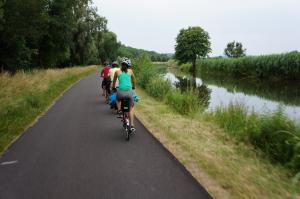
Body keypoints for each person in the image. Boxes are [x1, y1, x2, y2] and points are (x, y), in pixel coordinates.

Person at [112, 58, 136, 132]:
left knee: (117, 99)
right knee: (131, 108)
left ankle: (119, 110)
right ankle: (132, 126)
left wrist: (113, 87)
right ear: (129, 65)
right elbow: (134, 81)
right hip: (129, 92)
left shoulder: (117, 71)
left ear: (121, 65)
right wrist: (133, 87)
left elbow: (114, 81)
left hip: (120, 92)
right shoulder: (130, 71)